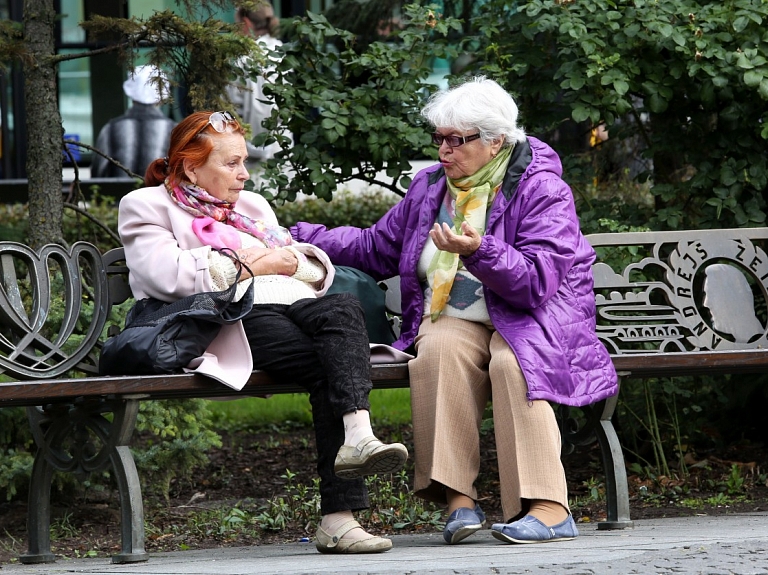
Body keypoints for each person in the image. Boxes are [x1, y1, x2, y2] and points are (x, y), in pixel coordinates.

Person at [291, 77, 619, 545]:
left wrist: (480, 251)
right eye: (439, 138)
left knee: (514, 363)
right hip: (462, 317)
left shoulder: (541, 189)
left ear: (495, 141)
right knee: (438, 347)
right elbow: (375, 246)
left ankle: (548, 507)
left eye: (455, 140)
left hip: (534, 317)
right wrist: (297, 236)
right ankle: (458, 500)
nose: (443, 150)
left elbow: (537, 282)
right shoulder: (430, 188)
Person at [117, 110, 408, 554]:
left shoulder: (250, 207)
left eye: (244, 161)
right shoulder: (146, 205)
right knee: (330, 365)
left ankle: (358, 435)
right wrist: (262, 263)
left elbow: (308, 265)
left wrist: (281, 263)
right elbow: (168, 277)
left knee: (343, 308)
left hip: (292, 302)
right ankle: (339, 515)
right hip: (229, 319)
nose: (244, 174)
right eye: (230, 163)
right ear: (192, 166)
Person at [91, 65, 176, 179]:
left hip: (119, 196)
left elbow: (98, 173)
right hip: (158, 195)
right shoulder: (174, 130)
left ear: (130, 94)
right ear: (163, 96)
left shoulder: (111, 129)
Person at [226, 3, 283, 165]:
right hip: (284, 147)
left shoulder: (243, 59)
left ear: (246, 22)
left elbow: (231, 110)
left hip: (248, 152)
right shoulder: (284, 52)